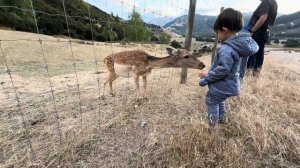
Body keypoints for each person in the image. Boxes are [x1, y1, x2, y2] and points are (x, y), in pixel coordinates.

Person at [199, 8, 259, 127]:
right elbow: (229, 68)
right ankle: (222, 119)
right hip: (232, 84)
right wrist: (209, 74)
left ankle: (212, 126)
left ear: (224, 30)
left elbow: (223, 70)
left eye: (218, 32)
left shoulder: (227, 49)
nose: (218, 36)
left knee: (211, 101)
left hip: (223, 84)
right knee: (219, 100)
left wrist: (206, 80)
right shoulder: (240, 46)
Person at [245, 0, 278, 77]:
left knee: (253, 53)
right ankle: (256, 75)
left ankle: (249, 75)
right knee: (260, 53)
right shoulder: (273, 3)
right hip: (264, 31)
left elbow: (263, 17)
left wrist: (253, 30)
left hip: (258, 31)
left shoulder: (265, 2)